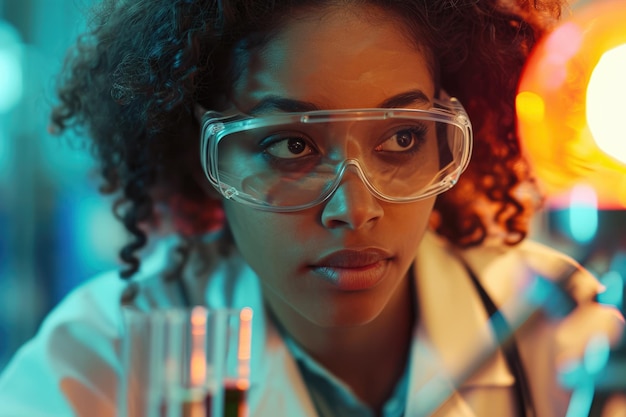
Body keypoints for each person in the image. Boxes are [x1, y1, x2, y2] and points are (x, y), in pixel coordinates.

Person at [0, 0, 623, 416]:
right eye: (290, 145)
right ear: (201, 158)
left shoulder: (559, 331)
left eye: (402, 138)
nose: (354, 210)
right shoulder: (99, 356)